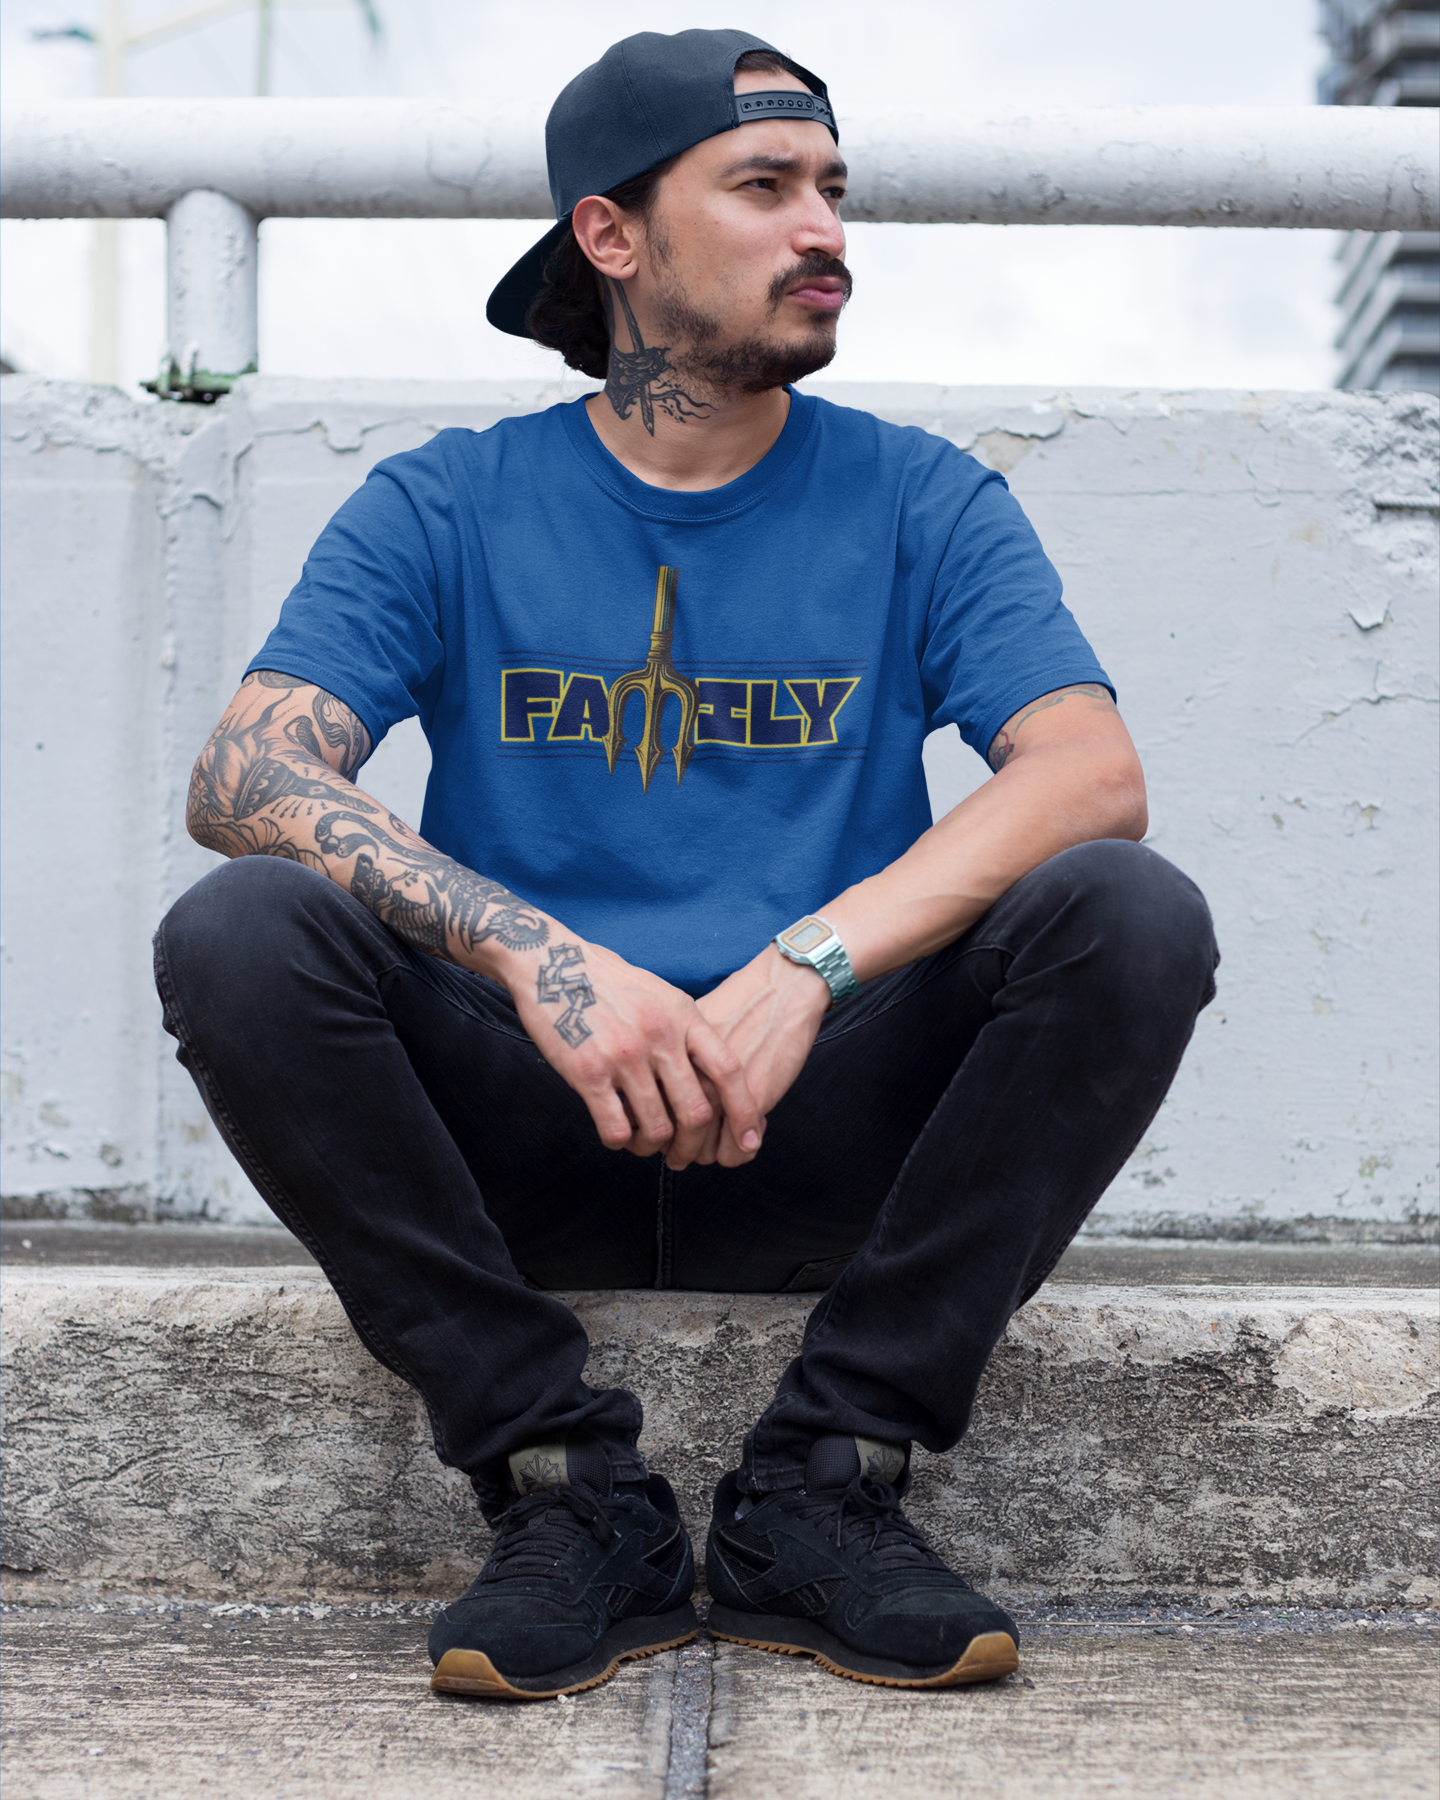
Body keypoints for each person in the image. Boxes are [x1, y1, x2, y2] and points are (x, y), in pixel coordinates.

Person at [155, 28, 1218, 1700]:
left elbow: (1088, 776)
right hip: (535, 1116)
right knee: (242, 931)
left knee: (1129, 918)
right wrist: (537, 960)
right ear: (612, 235)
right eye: (767, 187)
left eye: (836, 192)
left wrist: (811, 968)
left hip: (820, 1123)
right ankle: (568, 1491)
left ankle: (824, 1482)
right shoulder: (447, 506)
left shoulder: (923, 502)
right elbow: (244, 770)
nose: (826, 233)